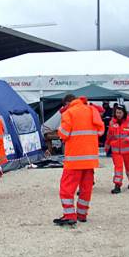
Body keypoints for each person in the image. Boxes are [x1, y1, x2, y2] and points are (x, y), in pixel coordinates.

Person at [54, 97, 105, 226]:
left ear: (67, 103)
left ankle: (70, 215)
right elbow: (101, 131)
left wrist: (59, 131)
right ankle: (82, 214)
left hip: (74, 159)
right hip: (90, 159)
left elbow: (64, 134)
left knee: (66, 188)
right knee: (86, 188)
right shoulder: (92, 110)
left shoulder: (69, 113)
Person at [105, 105, 129, 194]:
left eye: (120, 112)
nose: (118, 114)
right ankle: (117, 185)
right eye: (117, 112)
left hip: (128, 150)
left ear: (124, 112)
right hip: (116, 150)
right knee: (118, 168)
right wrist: (107, 145)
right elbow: (109, 135)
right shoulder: (112, 122)